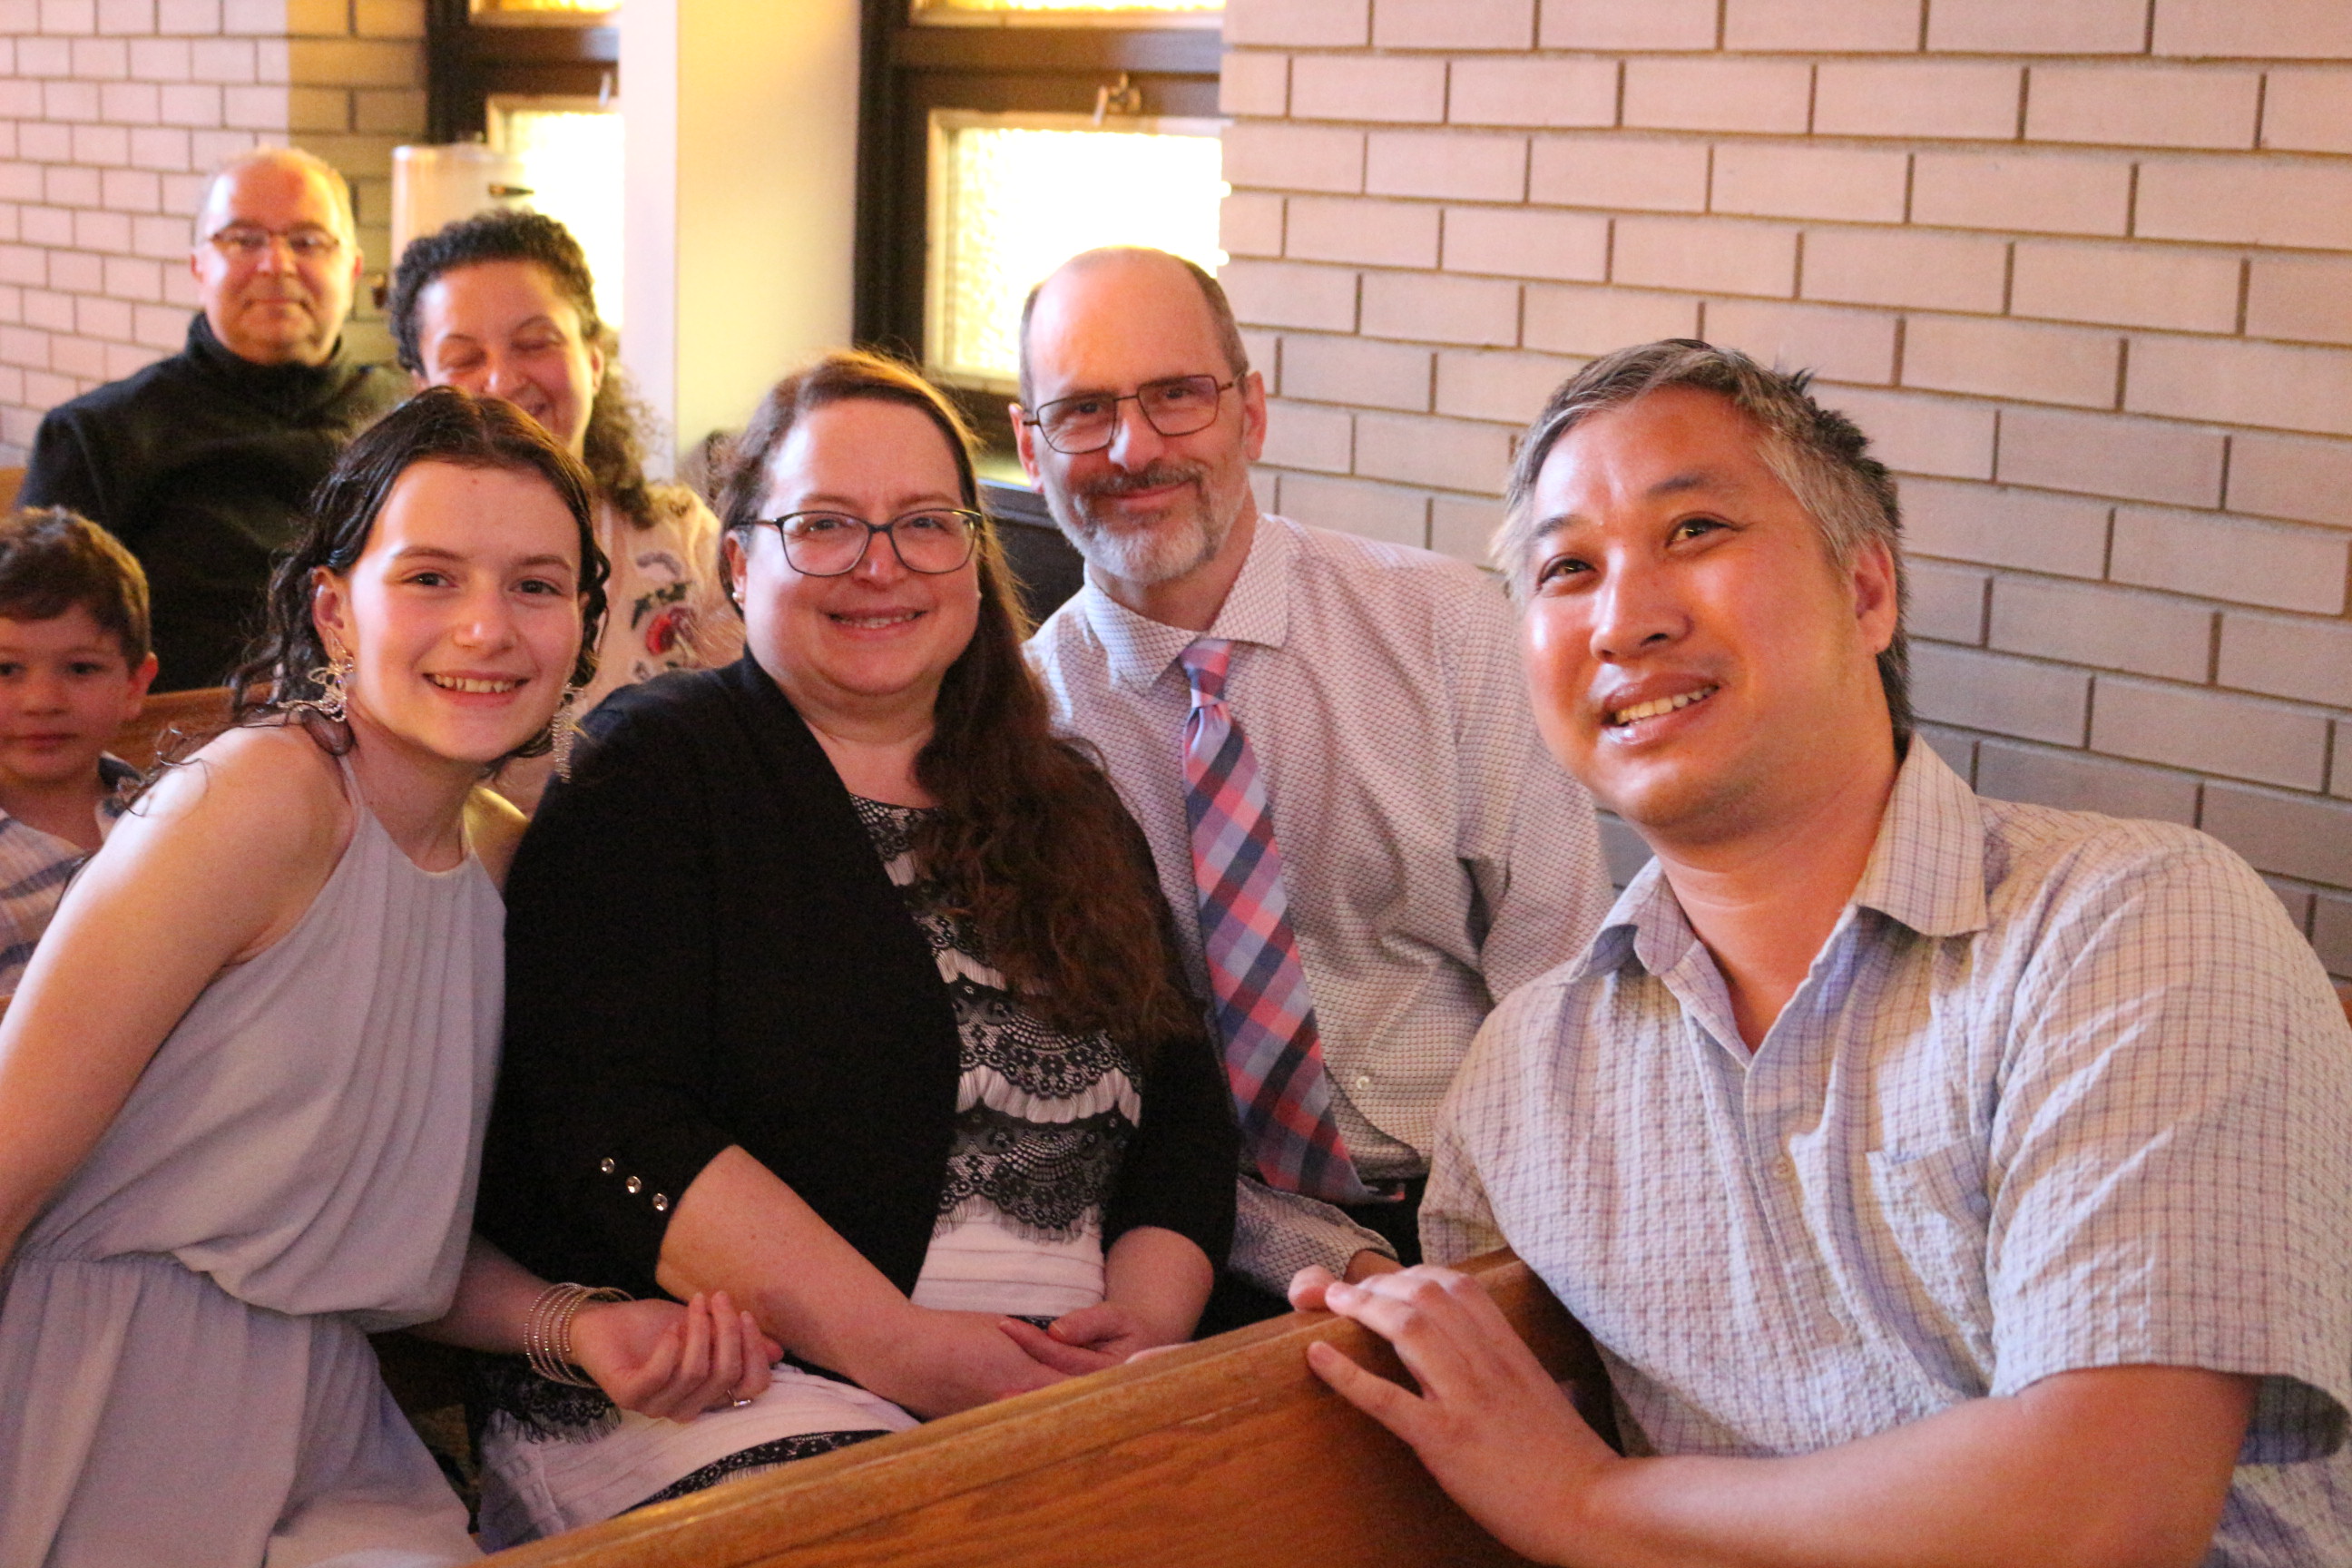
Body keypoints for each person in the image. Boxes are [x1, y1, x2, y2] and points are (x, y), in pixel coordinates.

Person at [1298, 341, 2352, 1567]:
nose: (1626, 620)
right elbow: (1489, 1446)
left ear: (1865, 592)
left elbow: (2103, 1514)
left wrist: (1590, 1505)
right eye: (1568, 568)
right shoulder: (1526, 1078)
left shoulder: (2127, 925)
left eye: (1694, 530)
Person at [0, 388, 775, 1567]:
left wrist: (579, 1328)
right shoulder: (257, 802)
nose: (486, 629)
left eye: (534, 585)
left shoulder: (504, 859)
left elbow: (345, 1235)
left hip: (313, 1419)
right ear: (335, 611)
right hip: (82, 1397)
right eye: (430, 578)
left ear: (582, 621)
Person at [474, 351, 1238, 1544]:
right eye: (824, 525)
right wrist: (904, 1351)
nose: (881, 565)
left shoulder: (1065, 798)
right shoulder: (658, 768)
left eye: (925, 524)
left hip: (1065, 1382)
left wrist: (1140, 1331)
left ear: (973, 559)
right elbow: (610, 1116)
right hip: (729, 1384)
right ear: (739, 563)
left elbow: (1183, 1103)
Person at [1016, 247, 1611, 1324]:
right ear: (1030, 446)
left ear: (1249, 413)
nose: (1133, 448)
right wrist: (1337, 1262)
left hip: (1510, 1198)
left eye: (1176, 395)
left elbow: (1564, 992)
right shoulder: (1025, 732)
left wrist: (1485, 1250)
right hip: (1221, 1241)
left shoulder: (1447, 629)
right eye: (1084, 411)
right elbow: (1106, 1103)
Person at [387, 208, 742, 810]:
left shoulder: (682, 541)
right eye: (465, 358)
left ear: (594, 361)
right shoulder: (383, 554)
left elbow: (741, 736)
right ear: (423, 389)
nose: (502, 381)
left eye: (534, 344)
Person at [20, 146, 407, 692]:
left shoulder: (410, 419)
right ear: (198, 266)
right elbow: (36, 650)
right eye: (244, 240)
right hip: (186, 734)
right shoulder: (98, 436)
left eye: (307, 242)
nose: (276, 265)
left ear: (354, 269)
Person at [0, 509, 158, 992]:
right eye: (6, 670)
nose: (43, 702)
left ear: (134, 685)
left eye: (81, 669)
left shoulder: (174, 814)